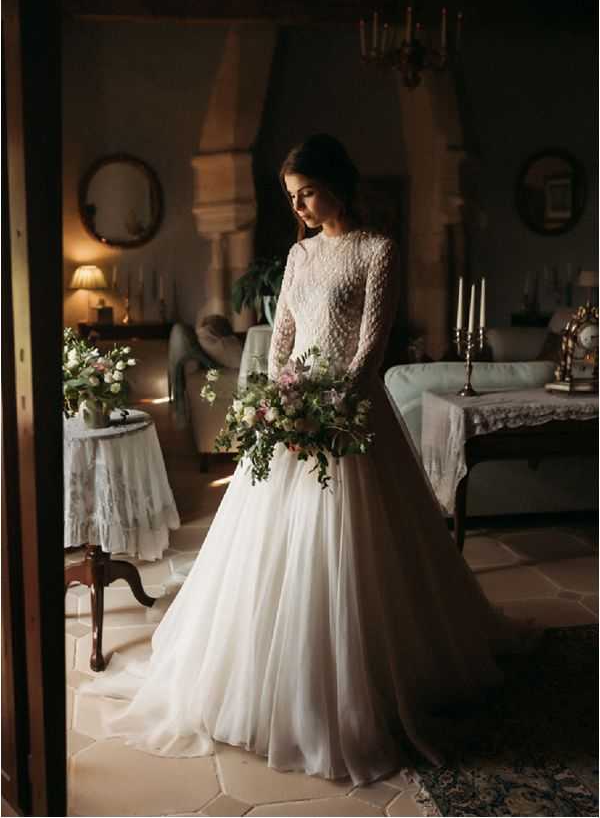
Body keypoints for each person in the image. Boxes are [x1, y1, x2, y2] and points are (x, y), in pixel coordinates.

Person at [82, 133, 539, 786]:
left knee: (356, 555)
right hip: (293, 413)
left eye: (307, 193)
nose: (298, 207)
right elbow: (280, 341)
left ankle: (356, 687)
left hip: (350, 421)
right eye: (291, 198)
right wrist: (278, 403)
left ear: (336, 184)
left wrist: (324, 412)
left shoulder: (378, 249)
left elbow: (369, 352)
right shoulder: (299, 255)